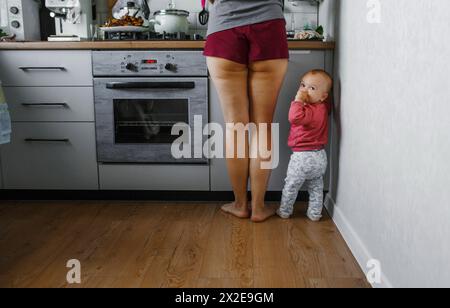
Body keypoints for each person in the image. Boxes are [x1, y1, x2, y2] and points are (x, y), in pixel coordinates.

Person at [203, 0, 289, 222]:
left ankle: (240, 204)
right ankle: (259, 208)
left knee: (235, 127)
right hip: (269, 24)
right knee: (263, 126)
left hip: (224, 27)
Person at [277, 70, 333, 221]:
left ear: (323, 96)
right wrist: (310, 96)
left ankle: (285, 211)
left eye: (312, 88)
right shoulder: (322, 108)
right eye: (303, 85)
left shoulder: (306, 110)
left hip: (302, 157)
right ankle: (315, 214)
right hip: (320, 156)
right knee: (316, 187)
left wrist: (297, 100)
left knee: (291, 185)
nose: (304, 91)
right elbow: (325, 106)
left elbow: (294, 118)